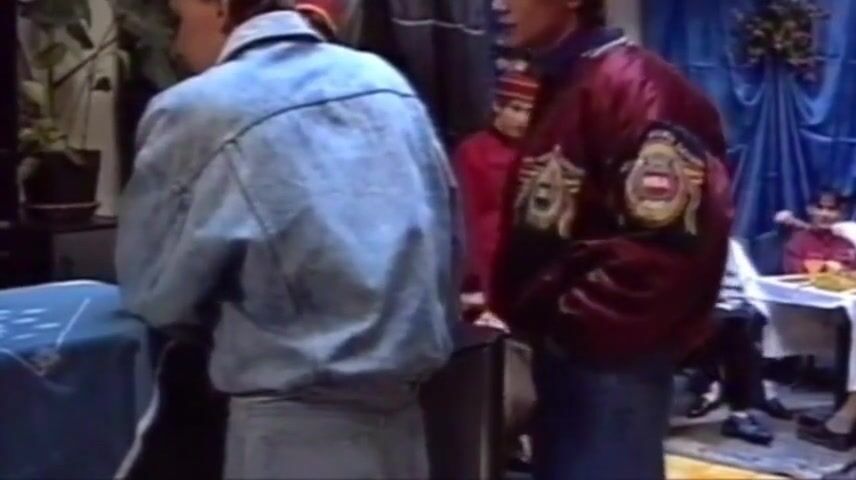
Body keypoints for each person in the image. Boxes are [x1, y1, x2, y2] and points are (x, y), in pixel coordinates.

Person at [115, 1, 460, 478]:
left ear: (220, 7)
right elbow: (446, 250)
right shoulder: (388, 86)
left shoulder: (198, 108)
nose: (174, 43)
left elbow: (155, 293)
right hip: (404, 428)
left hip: (290, 432)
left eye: (178, 19)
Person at [491, 0, 733, 478]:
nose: (498, 3)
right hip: (570, 355)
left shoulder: (637, 88)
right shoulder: (570, 81)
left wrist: (570, 324)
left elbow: (665, 249)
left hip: (608, 363)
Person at [454, 71, 540, 470]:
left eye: (528, 111)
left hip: (524, 278)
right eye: (515, 109)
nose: (521, 119)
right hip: (485, 279)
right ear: (497, 107)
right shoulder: (473, 154)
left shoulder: (538, 157)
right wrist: (470, 284)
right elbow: (464, 219)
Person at [682, 240, 773, 446]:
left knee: (738, 326)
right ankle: (740, 408)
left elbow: (747, 283)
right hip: (682, 314)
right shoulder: (675, 240)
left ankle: (738, 410)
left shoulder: (729, 245)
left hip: (727, 312)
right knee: (732, 328)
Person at [781, 191, 856, 274]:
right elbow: (792, 268)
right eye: (819, 208)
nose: (825, 214)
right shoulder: (798, 241)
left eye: (831, 209)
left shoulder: (845, 244)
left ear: (841, 214)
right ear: (809, 210)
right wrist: (825, 266)